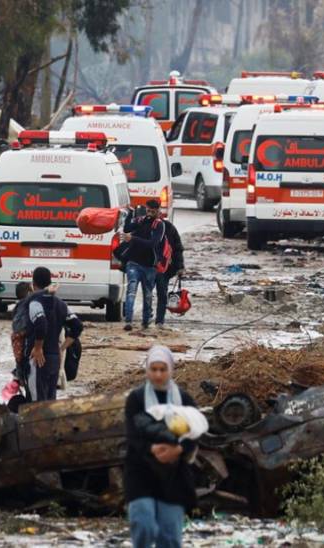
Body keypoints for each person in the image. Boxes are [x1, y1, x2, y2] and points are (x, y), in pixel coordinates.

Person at [125, 346, 198, 548]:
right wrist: (152, 449)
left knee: (170, 537)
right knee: (143, 525)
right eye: (154, 369)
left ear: (171, 370)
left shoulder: (183, 400)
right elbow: (133, 435)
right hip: (141, 471)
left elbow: (194, 433)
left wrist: (178, 450)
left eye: (162, 369)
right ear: (147, 370)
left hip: (173, 476)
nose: (158, 374)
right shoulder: (137, 399)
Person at [21, 267, 82, 402]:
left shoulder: (34, 303)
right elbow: (77, 326)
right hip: (54, 359)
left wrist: (38, 348)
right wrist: (61, 348)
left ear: (33, 284)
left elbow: (41, 323)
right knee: (50, 401)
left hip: (38, 359)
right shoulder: (61, 304)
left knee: (36, 404)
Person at [123, 199, 168, 331]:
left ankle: (145, 321)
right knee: (131, 291)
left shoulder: (159, 225)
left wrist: (133, 239)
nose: (150, 213)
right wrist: (130, 214)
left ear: (158, 211)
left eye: (153, 211)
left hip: (149, 266)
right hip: (133, 262)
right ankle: (128, 321)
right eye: (148, 210)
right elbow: (127, 228)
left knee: (147, 295)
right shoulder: (140, 220)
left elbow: (152, 243)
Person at [154, 219, 186, 328]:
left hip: (165, 268)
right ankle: (146, 317)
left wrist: (180, 267)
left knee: (162, 294)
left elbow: (177, 249)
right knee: (147, 294)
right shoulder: (144, 225)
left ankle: (159, 320)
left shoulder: (169, 228)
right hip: (148, 267)